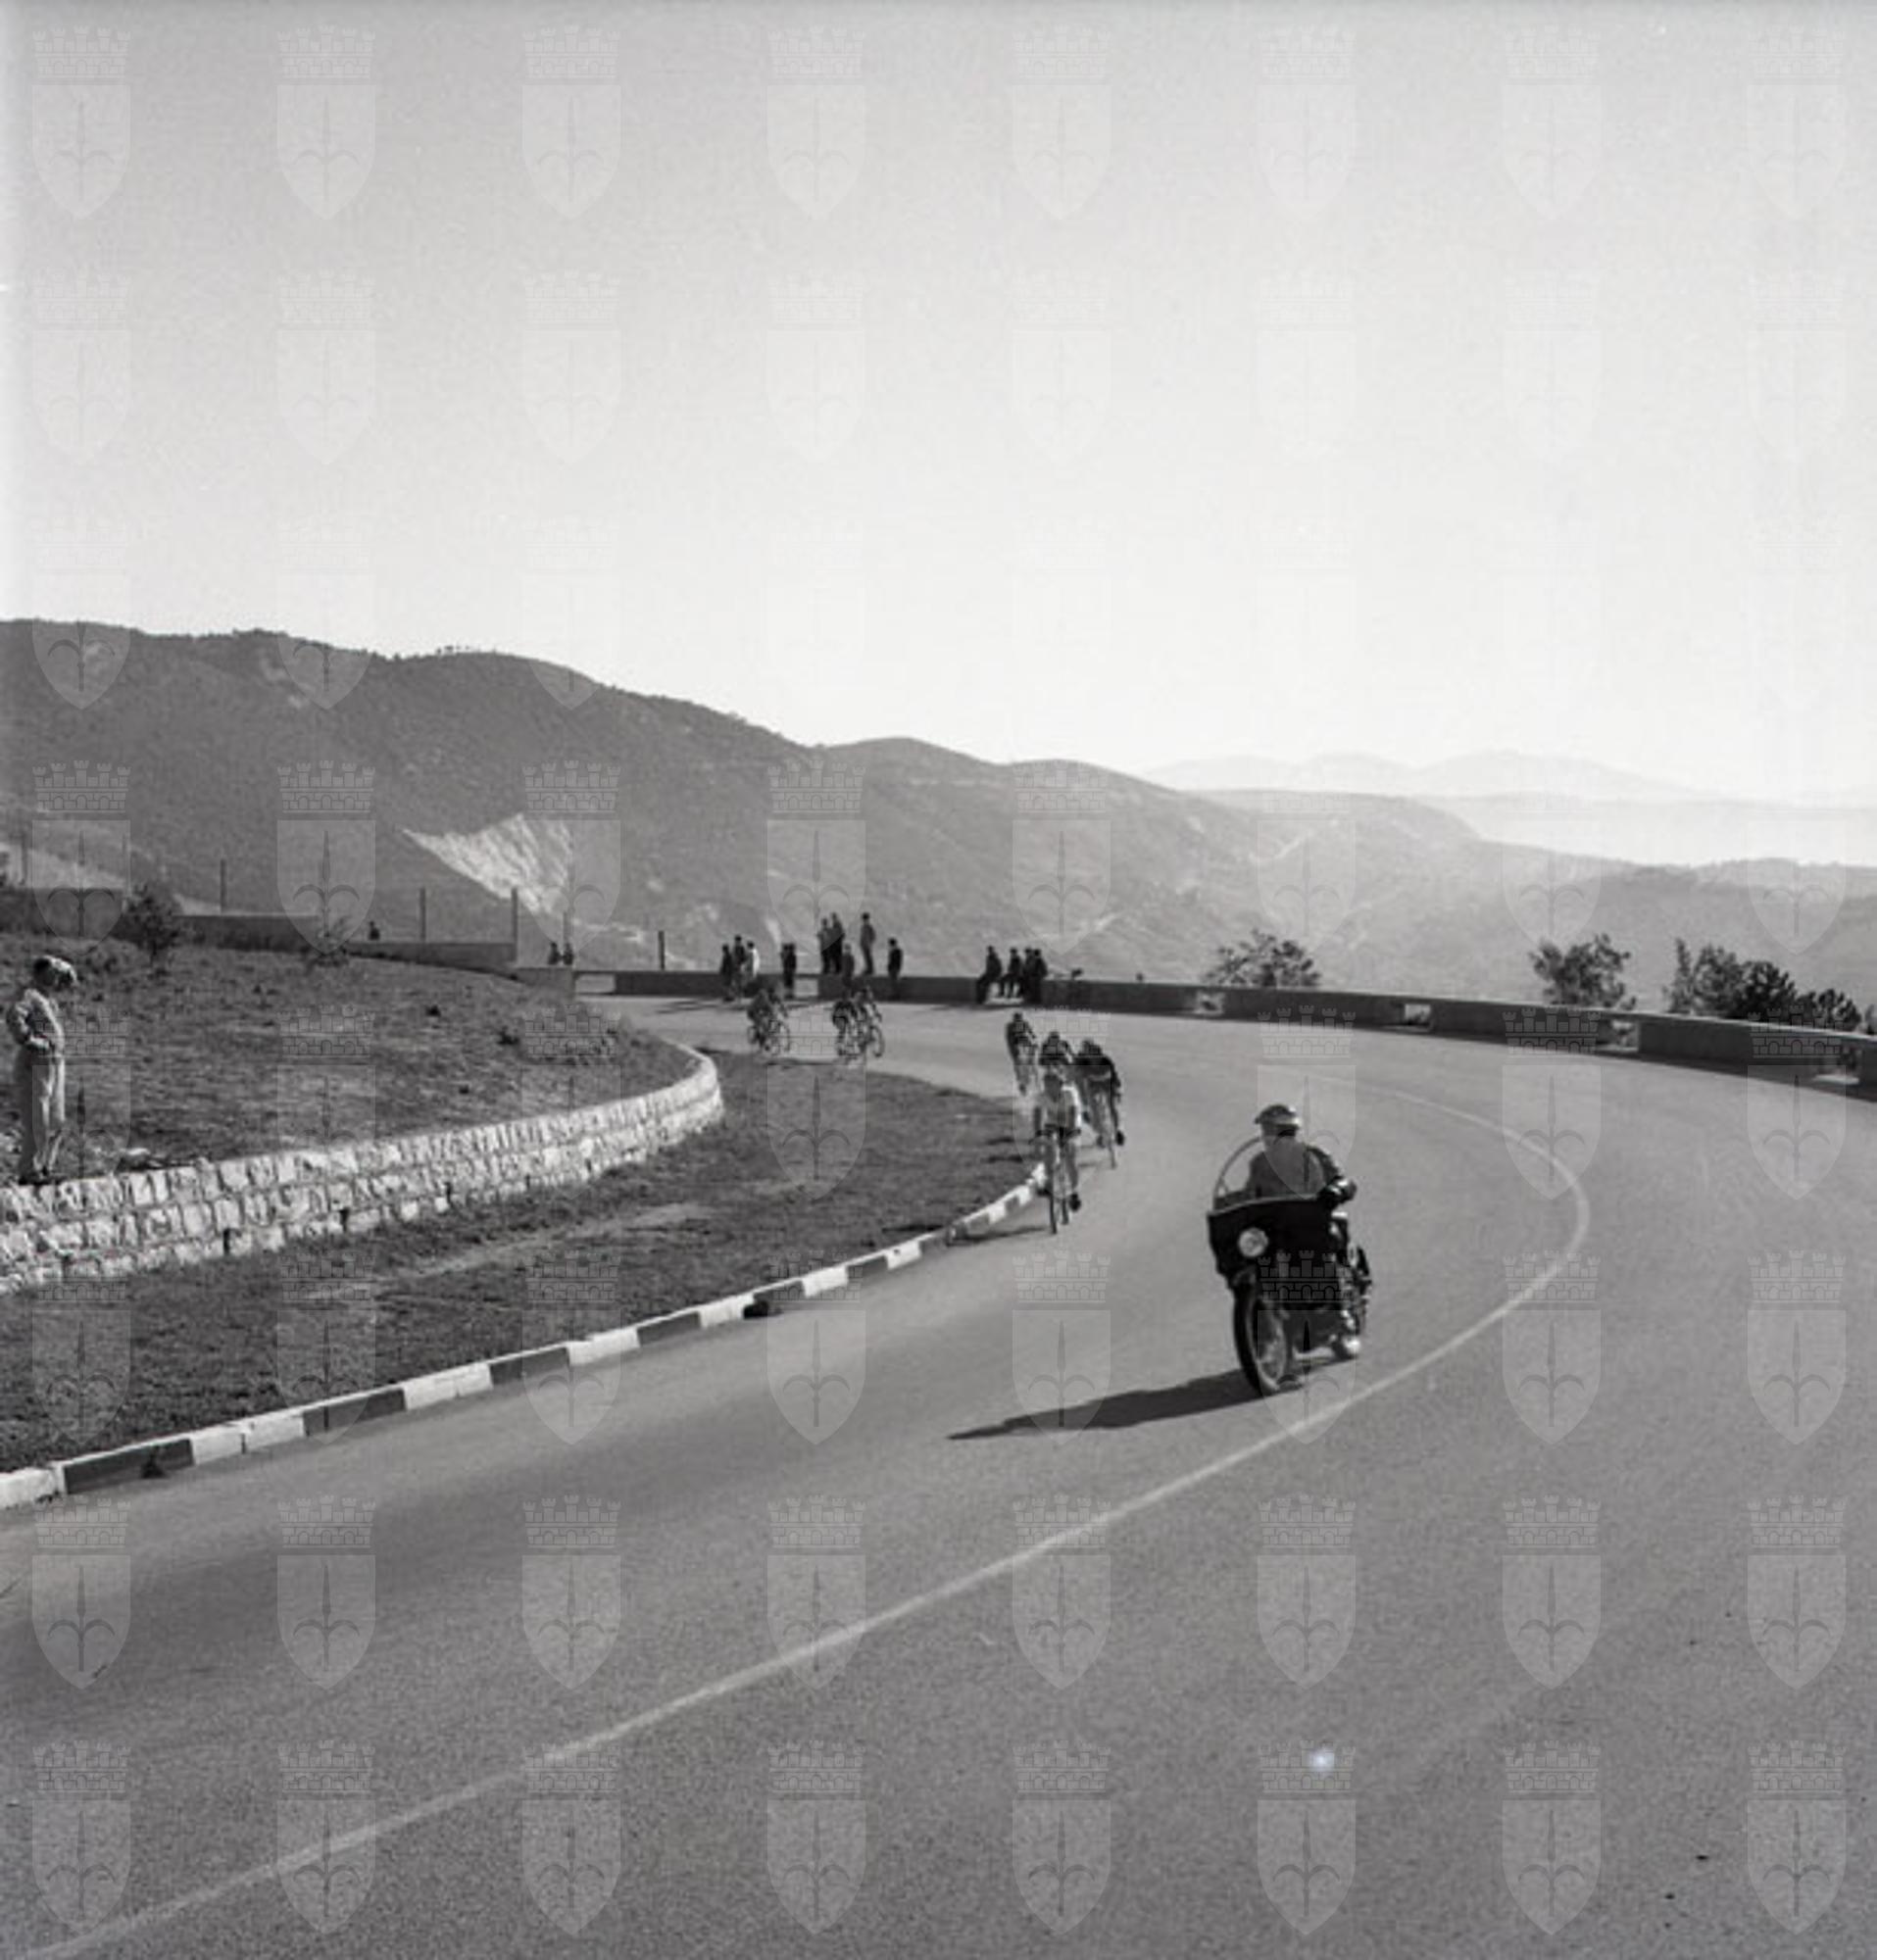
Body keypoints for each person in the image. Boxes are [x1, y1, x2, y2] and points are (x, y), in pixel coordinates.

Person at [1240, 1102, 1368, 1337]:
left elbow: (1344, 1181)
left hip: (1313, 1219)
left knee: (1328, 1240)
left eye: (1269, 1129)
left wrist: (1335, 1190)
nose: (1265, 1135)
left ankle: (1339, 1306)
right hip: (1275, 1226)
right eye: (1264, 1129)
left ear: (1286, 1130)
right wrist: (1232, 1204)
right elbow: (1250, 1193)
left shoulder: (1315, 1155)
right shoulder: (1259, 1163)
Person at [8, 955, 75, 1185]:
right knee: (39, 1118)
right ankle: (30, 1170)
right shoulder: (29, 994)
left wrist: (67, 970)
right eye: (53, 973)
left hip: (55, 1062)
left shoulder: (48, 999)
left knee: (57, 1120)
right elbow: (14, 1016)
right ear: (41, 973)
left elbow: (71, 983)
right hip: (36, 1061)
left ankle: (46, 1167)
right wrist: (30, 1040)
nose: (57, 977)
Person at [1032, 1060, 1083, 1211]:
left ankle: (1074, 1192)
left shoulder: (1069, 1093)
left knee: (1070, 1156)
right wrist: (1038, 1136)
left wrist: (1070, 1135)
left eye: (1051, 1084)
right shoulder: (1042, 1096)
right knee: (1049, 1152)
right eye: (1046, 1085)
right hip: (1052, 1125)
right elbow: (1037, 1117)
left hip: (1071, 1124)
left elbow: (1073, 1113)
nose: (1048, 1088)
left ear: (1060, 1084)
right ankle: (1049, 1183)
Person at [1074, 1038, 1125, 1147]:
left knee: (1112, 1106)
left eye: (1094, 1054)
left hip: (1107, 1084)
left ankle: (1117, 1130)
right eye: (1088, 1053)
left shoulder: (1106, 1061)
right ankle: (1101, 1131)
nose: (1093, 1058)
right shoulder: (1081, 1062)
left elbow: (1114, 1076)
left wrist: (1117, 1090)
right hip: (1093, 1086)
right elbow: (1079, 1082)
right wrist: (1085, 1106)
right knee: (1094, 1109)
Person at [1005, 1008, 1038, 1091]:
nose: (1018, 1020)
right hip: (1015, 1046)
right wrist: (1013, 1049)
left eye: (1020, 1018)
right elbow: (1009, 1039)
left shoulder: (1024, 1024)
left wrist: (1034, 1041)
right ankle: (1021, 1082)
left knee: (1030, 1061)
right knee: (1018, 1064)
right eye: (1017, 1018)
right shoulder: (1010, 1026)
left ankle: (1033, 1078)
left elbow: (1031, 1033)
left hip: (1024, 1045)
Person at [859, 911, 877, 976]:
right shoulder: (863, 927)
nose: (864, 921)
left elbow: (873, 936)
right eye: (864, 919)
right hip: (864, 944)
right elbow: (862, 936)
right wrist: (861, 943)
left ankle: (870, 969)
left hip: (867, 945)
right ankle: (868, 969)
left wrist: (870, 942)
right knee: (866, 957)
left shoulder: (869, 927)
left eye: (865, 919)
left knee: (868, 957)